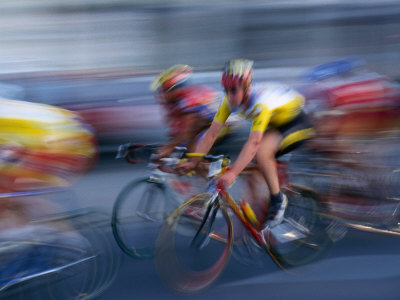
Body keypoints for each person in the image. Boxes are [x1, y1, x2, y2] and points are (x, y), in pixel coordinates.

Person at [178, 59, 314, 229]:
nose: (230, 95)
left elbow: (254, 142)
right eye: (226, 90)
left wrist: (232, 173)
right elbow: (211, 134)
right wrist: (194, 160)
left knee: (262, 152)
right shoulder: (229, 102)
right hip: (277, 124)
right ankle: (260, 208)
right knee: (252, 167)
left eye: (233, 90)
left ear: (246, 86)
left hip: (298, 123)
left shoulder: (259, 102)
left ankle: (277, 199)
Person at [151, 64, 227, 159]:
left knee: (193, 151)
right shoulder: (173, 102)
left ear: (175, 89)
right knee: (183, 152)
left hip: (224, 122)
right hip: (205, 124)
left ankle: (222, 173)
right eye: (159, 91)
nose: (160, 95)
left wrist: (168, 147)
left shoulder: (188, 99)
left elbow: (187, 132)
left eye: (163, 91)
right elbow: (177, 133)